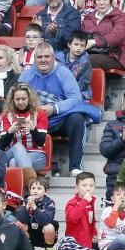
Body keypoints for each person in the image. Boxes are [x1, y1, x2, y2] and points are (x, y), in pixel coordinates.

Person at [20, 43, 99, 176]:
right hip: (34, 120)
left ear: (53, 57)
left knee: (77, 118)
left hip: (59, 118)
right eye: (39, 57)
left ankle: (75, 167)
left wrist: (54, 108)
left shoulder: (63, 72)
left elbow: (75, 98)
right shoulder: (26, 76)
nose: (43, 60)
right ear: (34, 59)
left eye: (47, 56)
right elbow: (17, 99)